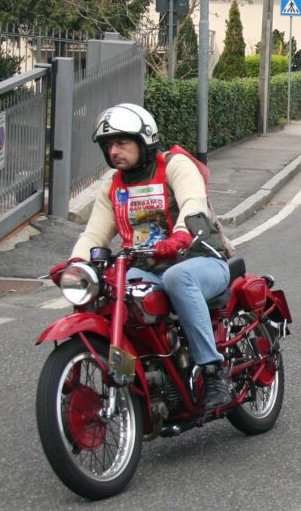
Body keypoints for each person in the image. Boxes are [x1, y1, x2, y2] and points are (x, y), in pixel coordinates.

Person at [48, 104, 234, 411]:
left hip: (201, 259)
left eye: (122, 143)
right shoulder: (113, 184)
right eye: (109, 145)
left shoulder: (174, 164)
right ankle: (142, 375)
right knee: (112, 291)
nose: (114, 151)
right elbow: (94, 234)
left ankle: (213, 371)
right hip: (149, 268)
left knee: (178, 277)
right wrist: (76, 264)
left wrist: (180, 236)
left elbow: (193, 202)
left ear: (144, 140)